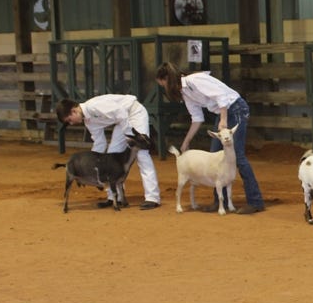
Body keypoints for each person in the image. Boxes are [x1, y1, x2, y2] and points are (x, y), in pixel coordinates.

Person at [155, 62, 265, 214]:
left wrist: (224, 120)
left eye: (163, 84)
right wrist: (186, 142)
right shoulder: (185, 93)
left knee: (237, 155)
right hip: (222, 113)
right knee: (215, 156)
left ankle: (255, 201)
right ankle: (220, 202)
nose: (164, 88)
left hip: (234, 108)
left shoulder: (195, 80)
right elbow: (197, 118)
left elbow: (221, 96)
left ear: (167, 78)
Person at [56, 94, 161, 210]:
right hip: (122, 121)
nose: (71, 123)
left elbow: (120, 112)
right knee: (112, 153)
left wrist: (131, 137)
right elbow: (100, 143)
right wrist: (92, 165)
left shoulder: (94, 106)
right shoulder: (89, 122)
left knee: (141, 153)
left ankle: (152, 198)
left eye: (70, 120)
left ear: (74, 111)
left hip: (134, 113)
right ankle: (114, 197)